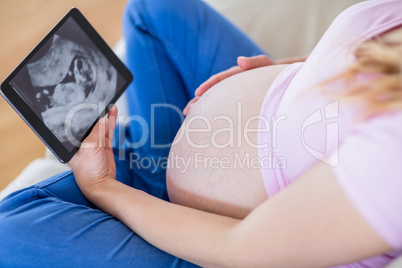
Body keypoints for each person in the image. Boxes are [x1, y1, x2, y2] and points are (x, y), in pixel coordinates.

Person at [0, 0, 401, 267]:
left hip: (225, 247)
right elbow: (363, 60)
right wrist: (286, 70)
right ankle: (146, 170)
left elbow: (242, 247)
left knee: (11, 226)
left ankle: (138, 187)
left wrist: (105, 188)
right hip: (245, 136)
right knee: (153, 10)